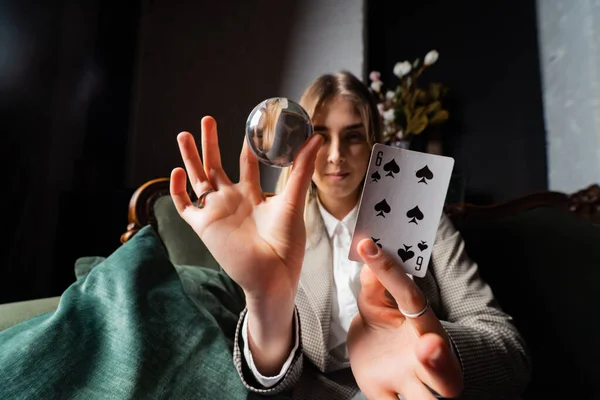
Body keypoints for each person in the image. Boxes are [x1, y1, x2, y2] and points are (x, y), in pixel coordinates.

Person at [170, 71, 531, 399]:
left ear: (375, 141)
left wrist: (432, 348)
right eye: (321, 137)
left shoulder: (420, 212)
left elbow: (508, 352)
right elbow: (271, 380)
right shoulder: (268, 230)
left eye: (353, 136)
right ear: (297, 145)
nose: (336, 156)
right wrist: (268, 301)